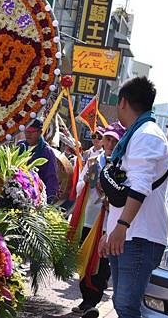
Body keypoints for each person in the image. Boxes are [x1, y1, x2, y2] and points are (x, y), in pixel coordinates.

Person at [99, 77, 168, 318]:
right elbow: (123, 186)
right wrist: (110, 231)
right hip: (127, 233)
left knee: (127, 306)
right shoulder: (136, 133)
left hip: (140, 235)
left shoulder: (147, 135)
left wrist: (121, 226)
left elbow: (139, 186)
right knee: (124, 306)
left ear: (123, 102)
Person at [73, 123, 125, 318]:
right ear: (103, 141)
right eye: (108, 139)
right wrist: (85, 181)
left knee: (101, 264)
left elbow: (122, 190)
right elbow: (79, 186)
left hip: (108, 223)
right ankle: (86, 298)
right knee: (84, 259)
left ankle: (92, 300)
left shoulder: (121, 164)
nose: (110, 143)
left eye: (114, 140)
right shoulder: (93, 161)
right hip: (90, 217)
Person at [18, 118, 60, 203]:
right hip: (17, 192)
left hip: (35, 197)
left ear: (40, 132)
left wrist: (47, 201)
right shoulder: (19, 146)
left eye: (31, 132)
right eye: (26, 132)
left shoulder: (46, 151)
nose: (28, 135)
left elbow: (51, 178)